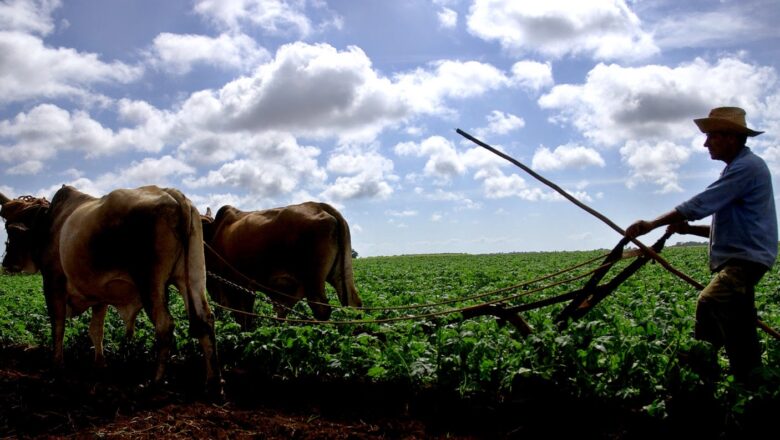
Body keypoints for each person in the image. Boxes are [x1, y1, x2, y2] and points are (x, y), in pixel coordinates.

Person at [625, 106, 777, 384]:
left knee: (709, 303)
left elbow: (699, 203)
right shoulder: (739, 169)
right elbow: (729, 230)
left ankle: (707, 379)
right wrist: (688, 229)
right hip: (744, 259)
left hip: (744, 263)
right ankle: (739, 384)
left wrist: (651, 224)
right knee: (737, 328)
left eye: (712, 136)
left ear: (730, 137)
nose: (706, 143)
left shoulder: (746, 168)